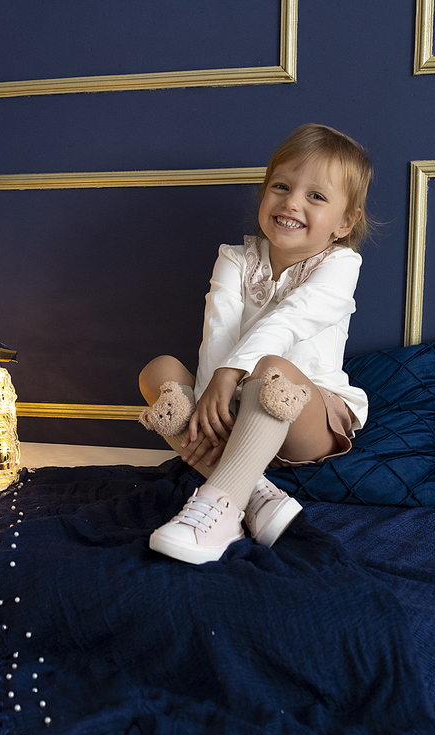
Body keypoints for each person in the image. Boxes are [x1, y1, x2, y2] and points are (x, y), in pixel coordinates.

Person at [138, 123, 372, 563]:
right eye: (281, 186)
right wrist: (214, 408)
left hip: (308, 417)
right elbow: (218, 335)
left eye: (315, 196)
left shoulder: (341, 263)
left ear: (345, 222)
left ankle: (220, 508)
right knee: (158, 371)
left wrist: (231, 374)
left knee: (272, 368)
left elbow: (290, 319)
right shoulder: (234, 258)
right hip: (235, 417)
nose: (292, 202)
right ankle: (258, 495)